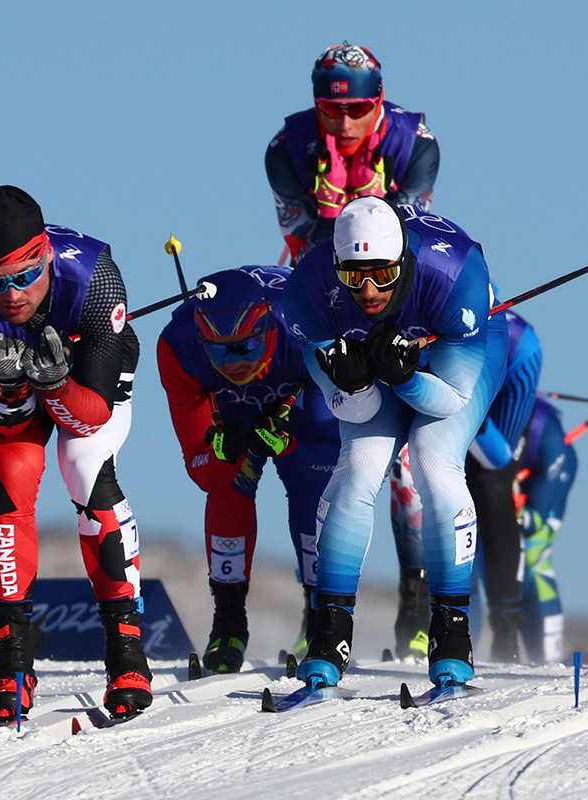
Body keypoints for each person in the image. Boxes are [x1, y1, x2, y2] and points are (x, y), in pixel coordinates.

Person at [0, 185, 152, 721]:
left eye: (27, 275)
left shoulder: (94, 279)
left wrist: (54, 385)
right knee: (12, 471)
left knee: (84, 467)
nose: (13, 296)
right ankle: (12, 662)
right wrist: (7, 392)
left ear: (47, 253)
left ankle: (126, 653)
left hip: (86, 381)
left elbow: (89, 416)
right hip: (23, 389)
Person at [282, 196, 508, 690]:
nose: (368, 291)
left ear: (403, 261)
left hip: (455, 353)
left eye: (383, 274)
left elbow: (448, 400)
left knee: (433, 459)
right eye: (354, 276)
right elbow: (351, 410)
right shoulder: (306, 291)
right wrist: (358, 385)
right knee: (358, 468)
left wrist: (404, 379)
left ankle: (451, 629)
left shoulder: (454, 275)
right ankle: (330, 629)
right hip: (389, 364)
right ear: (335, 265)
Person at [156, 267, 341, 674]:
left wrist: (289, 444)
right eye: (218, 350)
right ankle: (228, 620)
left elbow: (334, 455)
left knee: (312, 481)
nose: (233, 361)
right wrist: (223, 453)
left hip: (301, 386)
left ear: (267, 332)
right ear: (201, 339)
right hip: (236, 407)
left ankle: (319, 611)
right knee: (226, 484)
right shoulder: (178, 346)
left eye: (243, 347)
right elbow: (201, 469)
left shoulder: (305, 329)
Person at [389, 307, 543, 662]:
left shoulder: (521, 344)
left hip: (491, 417)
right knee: (412, 474)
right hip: (430, 393)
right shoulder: (410, 315)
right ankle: (415, 617)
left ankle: (506, 629)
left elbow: (500, 458)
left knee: (492, 487)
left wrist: (463, 410)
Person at [265, 43, 439, 265]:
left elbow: (412, 248)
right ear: (316, 104)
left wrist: (374, 205)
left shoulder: (415, 144)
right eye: (331, 110)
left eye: (358, 110)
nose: (345, 125)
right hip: (322, 271)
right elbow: (301, 261)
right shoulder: (286, 148)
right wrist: (330, 213)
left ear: (378, 101)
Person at [514, 396, 579, 664]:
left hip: (554, 471)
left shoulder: (548, 437)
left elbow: (536, 521)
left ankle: (546, 654)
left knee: (534, 551)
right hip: (516, 476)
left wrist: (519, 516)